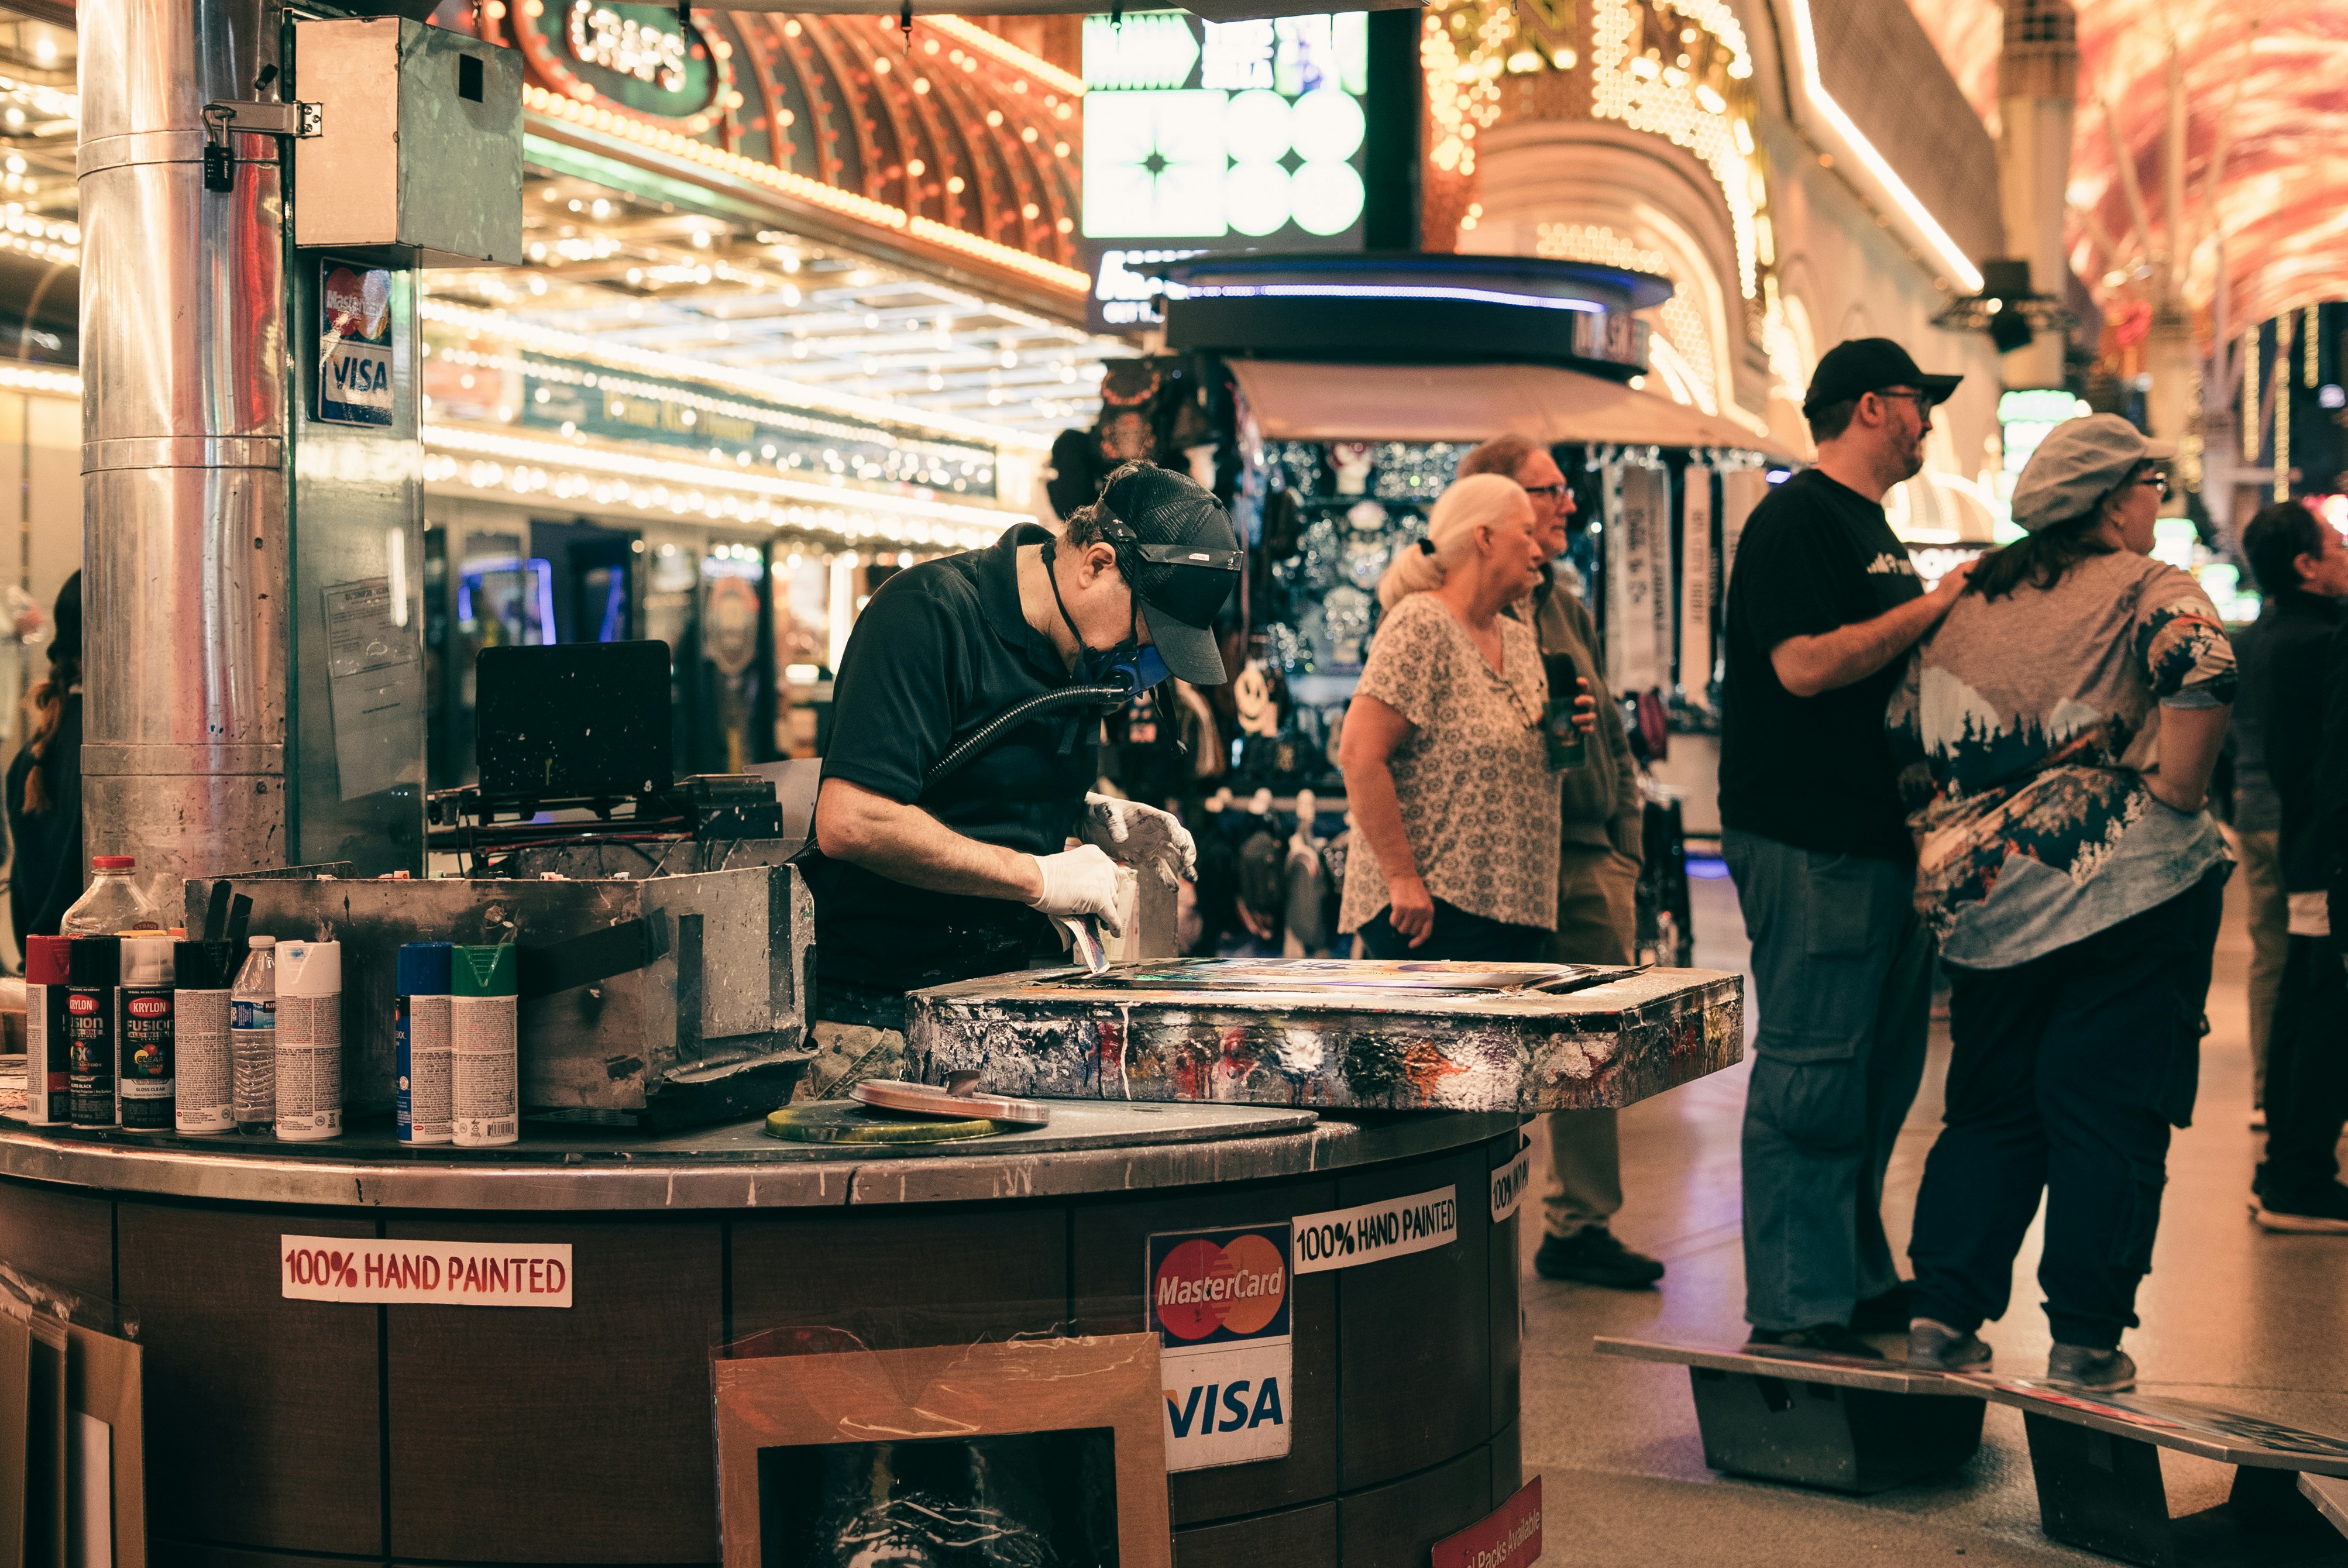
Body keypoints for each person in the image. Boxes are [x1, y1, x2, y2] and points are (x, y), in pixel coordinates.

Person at [1892, 415, 2232, 1391]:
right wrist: (2178, 789)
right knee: (2106, 1111)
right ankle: (2084, 1340)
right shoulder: (2144, 584)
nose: (2156, 503)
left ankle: (1940, 1318)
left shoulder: (1968, 599)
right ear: (2112, 499)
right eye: (2152, 486)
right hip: (2123, 895)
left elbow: (1900, 729)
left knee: (1989, 1112)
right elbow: (2201, 664)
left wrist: (1943, 838)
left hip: (1986, 904)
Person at [805, 463, 1239, 1094]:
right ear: (1096, 563)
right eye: (1144, 634)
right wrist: (1037, 878)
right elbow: (852, 819)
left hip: (991, 1006)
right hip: (870, 1018)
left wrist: (1082, 813)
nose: (1138, 663)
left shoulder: (1077, 651)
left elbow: (966, 781)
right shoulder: (926, 615)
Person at [1717, 338, 1974, 1359]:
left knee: (1874, 1074)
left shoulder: (1869, 527)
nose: (1925, 422)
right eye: (1916, 404)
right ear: (1869, 406)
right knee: (1813, 1069)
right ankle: (1792, 1303)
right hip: (1807, 838)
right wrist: (1934, 607)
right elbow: (1801, 667)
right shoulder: (1795, 518)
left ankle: (1851, 1275)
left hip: (1875, 843)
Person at [1457, 434, 1663, 1290]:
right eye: (1548, 491)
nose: (1566, 504)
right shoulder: (1452, 599)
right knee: (1491, 1049)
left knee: (1590, 1047)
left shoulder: (1563, 601)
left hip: (1583, 853)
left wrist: (1625, 836)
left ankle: (1580, 1222)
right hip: (1500, 862)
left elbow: (1607, 721)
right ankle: (1475, 1211)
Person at [1337, 474, 1589, 963]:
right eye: (1525, 532)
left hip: (1517, 909)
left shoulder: (1515, 637)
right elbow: (1359, 754)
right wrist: (1402, 879)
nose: (1538, 549)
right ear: (1485, 537)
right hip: (1431, 913)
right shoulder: (1421, 623)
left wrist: (1554, 731)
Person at [2245, 501, 2348, 1231]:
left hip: (2296, 834)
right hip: (2322, 842)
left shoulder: (2265, 634)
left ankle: (2285, 1159)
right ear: (2305, 565)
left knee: (2296, 991)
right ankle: (2299, 1171)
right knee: (2323, 1008)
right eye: (2337, 546)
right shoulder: (2320, 640)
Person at [2225, 569, 2288, 1123]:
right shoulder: (2322, 639)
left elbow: (2221, 735)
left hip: (2253, 812)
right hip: (2301, 819)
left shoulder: (2241, 646)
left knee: (2268, 956)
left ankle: (2266, 1092)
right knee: (2318, 955)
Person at [8, 572, 80, 960]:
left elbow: (23, 887)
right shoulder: (108, 753)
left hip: (41, 970)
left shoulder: (34, 753)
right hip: (98, 978)